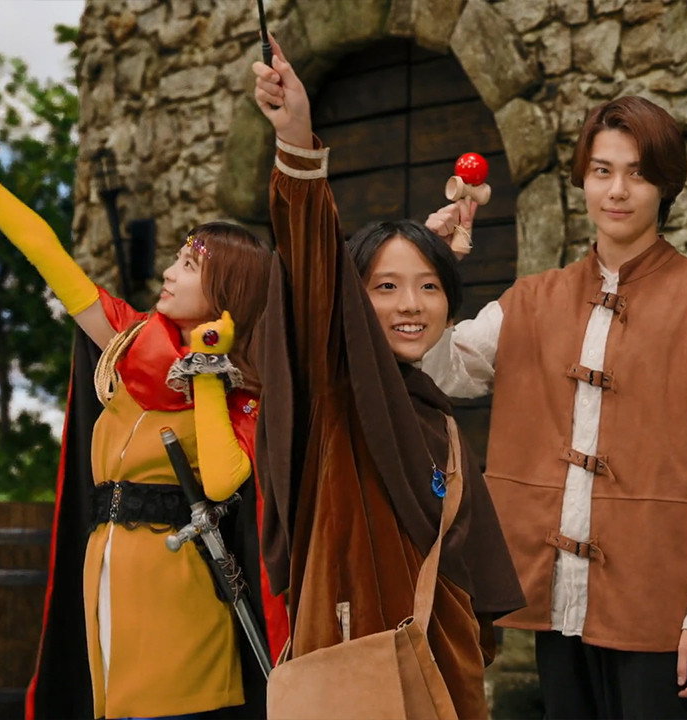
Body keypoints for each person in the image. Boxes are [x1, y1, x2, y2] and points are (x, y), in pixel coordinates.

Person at [0, 109, 285, 719]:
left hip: (177, 582)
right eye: (176, 259)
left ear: (229, 291)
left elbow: (223, 482)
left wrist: (207, 371)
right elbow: (46, 252)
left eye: (188, 266)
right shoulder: (127, 339)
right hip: (106, 565)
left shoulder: (243, 393)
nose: (168, 272)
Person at [420, 95, 687, 718]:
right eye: (603, 171)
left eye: (638, 173)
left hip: (660, 608)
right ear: (584, 178)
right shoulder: (531, 300)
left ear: (666, 184)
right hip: (554, 603)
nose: (618, 190)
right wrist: (434, 269)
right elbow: (440, 369)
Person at [249, 37, 524, 717]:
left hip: (441, 668)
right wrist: (296, 141)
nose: (410, 305)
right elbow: (314, 265)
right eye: (385, 286)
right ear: (352, 300)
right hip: (356, 658)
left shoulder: (433, 411)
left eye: (429, 287)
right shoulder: (338, 390)